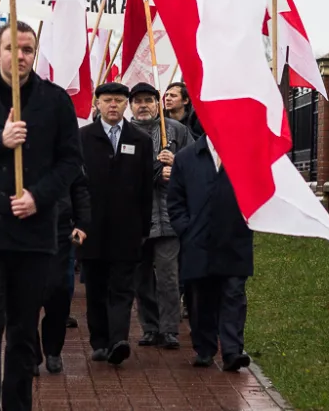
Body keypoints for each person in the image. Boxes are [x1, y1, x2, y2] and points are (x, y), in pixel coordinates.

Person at [0, 20, 82, 411]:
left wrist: (39, 197)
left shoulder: (55, 101)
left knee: (24, 334)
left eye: (27, 49)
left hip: (35, 234)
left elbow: (71, 161)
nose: (20, 56)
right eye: (12, 48)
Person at [77, 82, 154, 366]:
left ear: (126, 104)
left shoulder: (140, 140)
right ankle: (99, 341)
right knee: (96, 289)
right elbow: (75, 185)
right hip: (91, 230)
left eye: (119, 101)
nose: (113, 105)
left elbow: (146, 189)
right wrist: (77, 222)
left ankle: (118, 339)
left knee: (122, 288)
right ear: (97, 103)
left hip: (127, 229)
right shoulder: (83, 138)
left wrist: (144, 228)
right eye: (108, 100)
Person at [166, 135, 255, 372]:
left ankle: (232, 352)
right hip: (198, 242)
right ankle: (204, 349)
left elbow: (257, 191)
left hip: (234, 240)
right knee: (200, 298)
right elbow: (175, 201)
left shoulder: (244, 155)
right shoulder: (186, 157)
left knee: (234, 295)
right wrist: (186, 230)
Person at [128, 82, 191, 350]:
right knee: (141, 277)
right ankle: (150, 327)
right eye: (138, 100)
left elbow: (195, 162)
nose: (143, 105)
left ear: (157, 103)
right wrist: (156, 169)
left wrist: (175, 166)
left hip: (168, 216)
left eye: (148, 100)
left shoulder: (175, 130)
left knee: (168, 277)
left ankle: (169, 329)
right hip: (135, 218)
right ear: (131, 105)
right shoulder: (125, 133)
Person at [34, 170, 90, 375]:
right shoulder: (16, 144)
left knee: (58, 290)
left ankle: (53, 351)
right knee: (25, 295)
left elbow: (80, 187)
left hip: (59, 229)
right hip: (24, 228)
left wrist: (82, 223)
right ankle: (31, 353)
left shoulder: (64, 146)